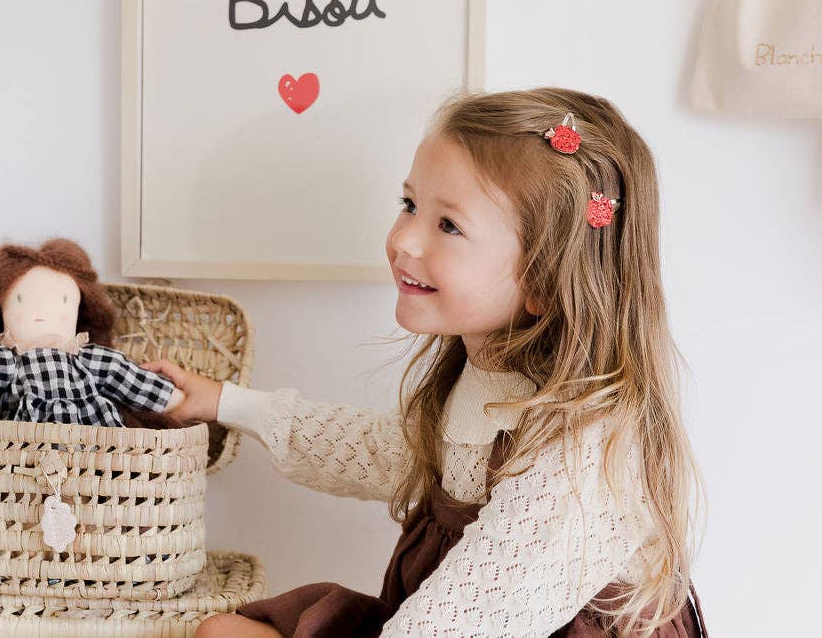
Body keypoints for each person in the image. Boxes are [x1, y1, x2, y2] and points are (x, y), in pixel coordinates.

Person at [145, 87, 708, 637]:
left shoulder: (585, 451)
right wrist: (223, 402)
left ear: (543, 280)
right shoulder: (489, 378)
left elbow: (459, 619)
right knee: (222, 630)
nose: (404, 241)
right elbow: (377, 449)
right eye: (410, 205)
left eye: (448, 225)